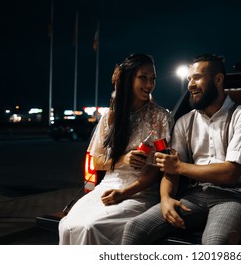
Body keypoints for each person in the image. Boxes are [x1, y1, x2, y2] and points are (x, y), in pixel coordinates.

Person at [121, 53, 241, 245]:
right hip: (193, 197)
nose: (190, 85)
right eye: (189, 79)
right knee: (134, 228)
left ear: (218, 79)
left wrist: (179, 167)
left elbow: (231, 173)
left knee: (214, 242)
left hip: (232, 197)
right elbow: (171, 171)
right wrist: (166, 198)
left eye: (197, 78)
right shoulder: (185, 122)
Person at [58, 53, 172, 245]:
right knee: (68, 225)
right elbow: (97, 161)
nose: (149, 84)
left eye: (152, 79)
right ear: (128, 79)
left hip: (139, 192)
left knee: (91, 227)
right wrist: (123, 159)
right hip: (108, 186)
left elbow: (154, 169)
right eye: (143, 77)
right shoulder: (111, 116)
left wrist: (125, 193)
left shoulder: (160, 117)